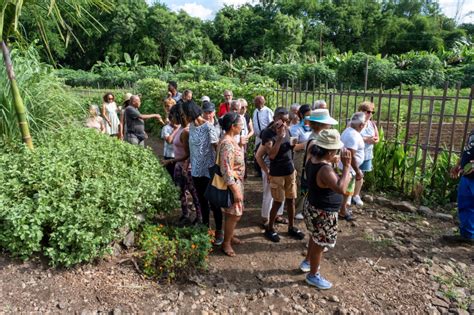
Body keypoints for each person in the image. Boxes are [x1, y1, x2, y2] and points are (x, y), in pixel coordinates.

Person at [299, 129, 352, 290]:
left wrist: (331, 160)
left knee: (314, 237)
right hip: (323, 212)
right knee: (320, 244)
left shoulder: (312, 158)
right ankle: (313, 275)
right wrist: (347, 167)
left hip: (313, 206)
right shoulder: (325, 170)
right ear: (329, 151)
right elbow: (341, 188)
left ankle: (308, 261)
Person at [261, 107, 305, 242]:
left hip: (289, 170)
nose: (285, 124)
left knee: (291, 200)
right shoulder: (268, 134)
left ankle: (291, 227)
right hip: (277, 173)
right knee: (278, 201)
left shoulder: (288, 130)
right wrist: (279, 138)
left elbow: (290, 149)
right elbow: (272, 155)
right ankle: (270, 228)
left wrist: (298, 145)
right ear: (275, 119)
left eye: (287, 121)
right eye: (282, 120)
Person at [184, 101, 224, 245]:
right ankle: (205, 228)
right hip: (196, 171)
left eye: (184, 114)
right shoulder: (191, 127)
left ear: (190, 113)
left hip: (209, 171)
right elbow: (193, 149)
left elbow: (218, 149)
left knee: (214, 203)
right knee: (202, 202)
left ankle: (220, 231)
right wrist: (187, 161)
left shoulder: (209, 128)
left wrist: (223, 170)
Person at [164, 104, 202, 225]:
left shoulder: (186, 131)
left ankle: (199, 218)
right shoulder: (180, 128)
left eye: (172, 116)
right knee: (181, 192)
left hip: (187, 167)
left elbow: (188, 154)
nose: (171, 119)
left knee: (194, 194)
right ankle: (185, 215)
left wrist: (171, 161)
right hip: (180, 166)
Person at [219, 112, 246, 256]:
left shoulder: (231, 140)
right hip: (232, 184)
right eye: (240, 125)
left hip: (236, 181)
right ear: (233, 126)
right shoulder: (227, 144)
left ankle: (229, 235)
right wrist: (235, 190)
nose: (242, 127)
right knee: (234, 214)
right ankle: (226, 243)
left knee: (232, 213)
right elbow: (226, 169)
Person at [447, 129, 474, 243]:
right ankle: (467, 235)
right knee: (465, 205)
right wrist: (459, 165)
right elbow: (467, 151)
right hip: (467, 176)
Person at [339, 112, 366, 221]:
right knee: (346, 191)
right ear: (361, 125)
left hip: (346, 167)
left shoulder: (349, 131)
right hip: (347, 168)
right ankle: (343, 210)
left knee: (346, 190)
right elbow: (350, 156)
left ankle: (342, 209)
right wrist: (357, 170)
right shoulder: (353, 135)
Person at [255, 137, 286, 227]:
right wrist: (267, 171)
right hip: (269, 169)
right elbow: (258, 156)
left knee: (281, 193)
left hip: (283, 169)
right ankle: (265, 217)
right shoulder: (269, 134)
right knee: (269, 194)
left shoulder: (287, 131)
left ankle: (277, 215)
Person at [354, 101, 380, 206]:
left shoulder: (372, 124)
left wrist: (374, 140)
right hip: (356, 153)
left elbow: (377, 138)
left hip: (367, 154)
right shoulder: (355, 122)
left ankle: (356, 195)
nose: (370, 114)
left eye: (371, 112)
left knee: (361, 175)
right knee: (352, 174)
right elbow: (351, 135)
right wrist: (365, 139)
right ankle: (348, 194)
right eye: (367, 111)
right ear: (361, 111)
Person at [289, 104, 312, 219]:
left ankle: (305, 207)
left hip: (311, 156)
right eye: (307, 115)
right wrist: (308, 144)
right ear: (301, 115)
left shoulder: (313, 128)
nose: (309, 118)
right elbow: (293, 147)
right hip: (300, 157)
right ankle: (297, 209)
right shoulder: (295, 129)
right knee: (300, 181)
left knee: (308, 181)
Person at [252, 95, 273, 177]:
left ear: (260, 102)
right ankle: (258, 171)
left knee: (266, 154)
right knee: (257, 153)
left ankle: (266, 170)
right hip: (258, 137)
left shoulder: (268, 111)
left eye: (256, 101)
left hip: (266, 137)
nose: (254, 103)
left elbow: (271, 124)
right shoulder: (255, 111)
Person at [161, 112, 180, 178]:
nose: (175, 121)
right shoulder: (166, 128)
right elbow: (169, 141)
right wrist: (176, 129)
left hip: (179, 156)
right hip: (169, 155)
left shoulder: (182, 127)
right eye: (173, 119)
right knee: (170, 175)